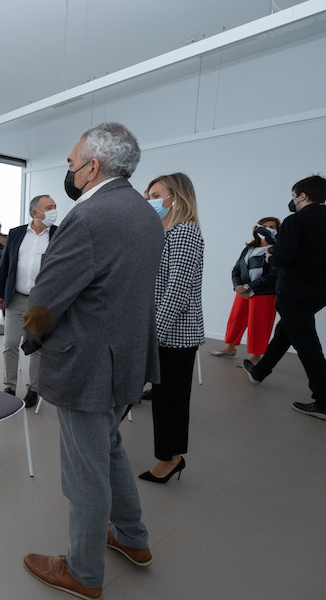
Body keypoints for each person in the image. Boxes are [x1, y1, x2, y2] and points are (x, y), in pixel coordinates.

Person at [20, 122, 163, 599]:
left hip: (86, 365)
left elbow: (46, 299)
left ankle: (83, 571)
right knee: (111, 450)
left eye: (71, 163)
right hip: (127, 360)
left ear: (92, 166)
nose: (69, 171)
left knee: (85, 470)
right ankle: (132, 538)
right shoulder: (146, 213)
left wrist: (30, 340)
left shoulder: (88, 217)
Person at [243, 175, 326, 421]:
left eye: (294, 195)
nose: (292, 200)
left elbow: (285, 256)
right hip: (321, 292)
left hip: (294, 292)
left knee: (307, 346)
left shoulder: (296, 220)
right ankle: (260, 371)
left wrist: (273, 256)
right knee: (286, 332)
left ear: (302, 195)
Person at [139, 173, 205, 485]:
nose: (149, 200)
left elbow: (177, 292)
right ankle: (170, 456)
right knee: (165, 399)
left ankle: (170, 459)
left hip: (175, 336)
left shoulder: (185, 233)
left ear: (175, 198)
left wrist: (155, 336)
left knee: (171, 402)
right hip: (162, 331)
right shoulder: (164, 233)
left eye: (155, 194)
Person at [0, 195, 58, 407]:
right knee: (10, 343)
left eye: (54, 207)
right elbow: (5, 265)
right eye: (49, 207)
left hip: (41, 302)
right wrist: (0, 292)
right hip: (16, 298)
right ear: (35, 212)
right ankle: (10, 385)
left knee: (36, 347)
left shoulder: (58, 234)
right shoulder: (17, 233)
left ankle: (34, 389)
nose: (53, 211)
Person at [210, 218, 279, 364]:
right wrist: (237, 286)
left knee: (259, 323)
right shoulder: (249, 249)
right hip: (243, 291)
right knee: (236, 318)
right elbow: (236, 269)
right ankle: (230, 347)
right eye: (264, 226)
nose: (267, 229)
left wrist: (249, 287)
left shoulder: (277, 250)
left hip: (264, 292)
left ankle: (256, 356)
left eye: (271, 227)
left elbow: (273, 275)